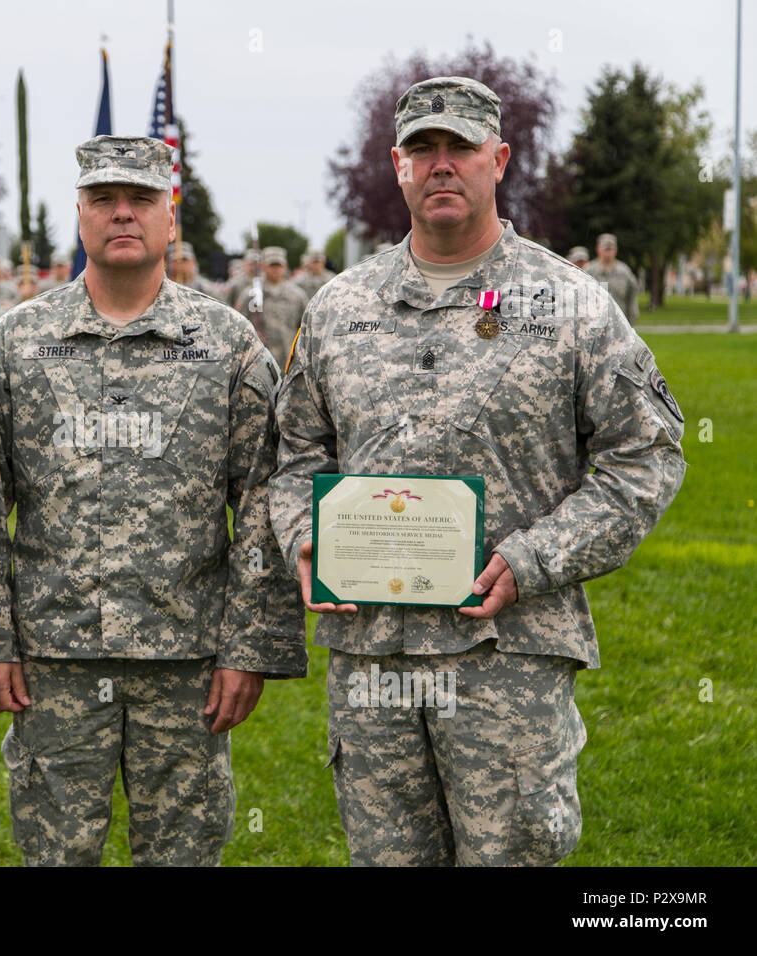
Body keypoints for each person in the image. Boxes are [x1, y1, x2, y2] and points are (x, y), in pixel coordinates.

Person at [271, 76, 686, 867]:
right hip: (374, 661)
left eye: (459, 147)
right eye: (422, 149)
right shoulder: (338, 308)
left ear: (498, 159)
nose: (441, 165)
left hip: (508, 657)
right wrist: (305, 538)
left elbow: (647, 455)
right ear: (397, 165)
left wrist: (534, 558)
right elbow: (294, 458)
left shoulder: (571, 304)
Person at [0, 134, 307, 867]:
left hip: (188, 665)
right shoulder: (17, 343)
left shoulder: (227, 346)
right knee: (54, 854)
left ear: (171, 218)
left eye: (141, 199)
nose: (122, 214)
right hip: (54, 662)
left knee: (182, 856)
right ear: (80, 215)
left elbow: (264, 499)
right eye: (104, 199)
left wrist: (251, 646)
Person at [235, 245, 307, 371]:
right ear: (263, 266)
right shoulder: (250, 294)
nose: (275, 269)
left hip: (289, 362)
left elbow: (305, 329)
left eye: (278, 265)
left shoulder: (297, 296)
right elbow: (237, 327)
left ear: (285, 266)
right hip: (257, 364)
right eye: (271, 265)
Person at [586, 233, 639, 326]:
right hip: (595, 324)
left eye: (611, 249)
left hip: (619, 324)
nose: (608, 253)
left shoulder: (624, 272)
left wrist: (631, 323)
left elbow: (632, 297)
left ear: (615, 250)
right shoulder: (589, 271)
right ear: (598, 249)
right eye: (606, 249)